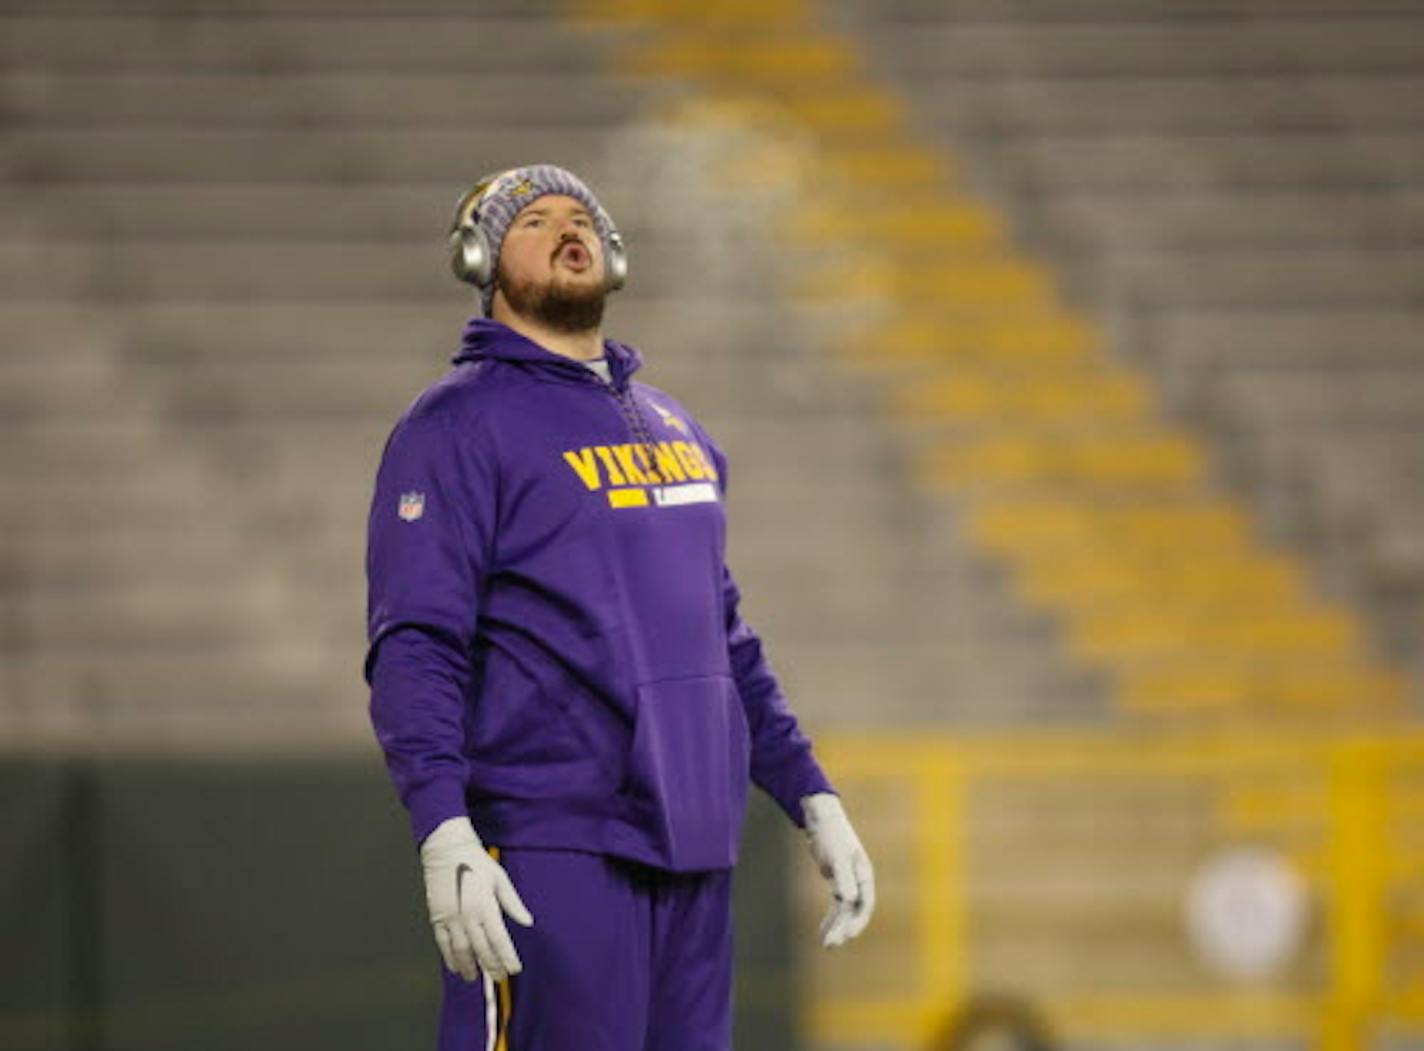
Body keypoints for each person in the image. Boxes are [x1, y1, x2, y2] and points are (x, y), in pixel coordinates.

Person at [363, 163, 875, 1051]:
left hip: (695, 852)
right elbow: (417, 642)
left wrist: (811, 793)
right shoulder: (453, 426)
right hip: (549, 847)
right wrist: (443, 822)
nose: (569, 229)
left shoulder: (677, 428)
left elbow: (725, 640)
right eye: (536, 221)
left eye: (583, 217)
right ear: (483, 258)